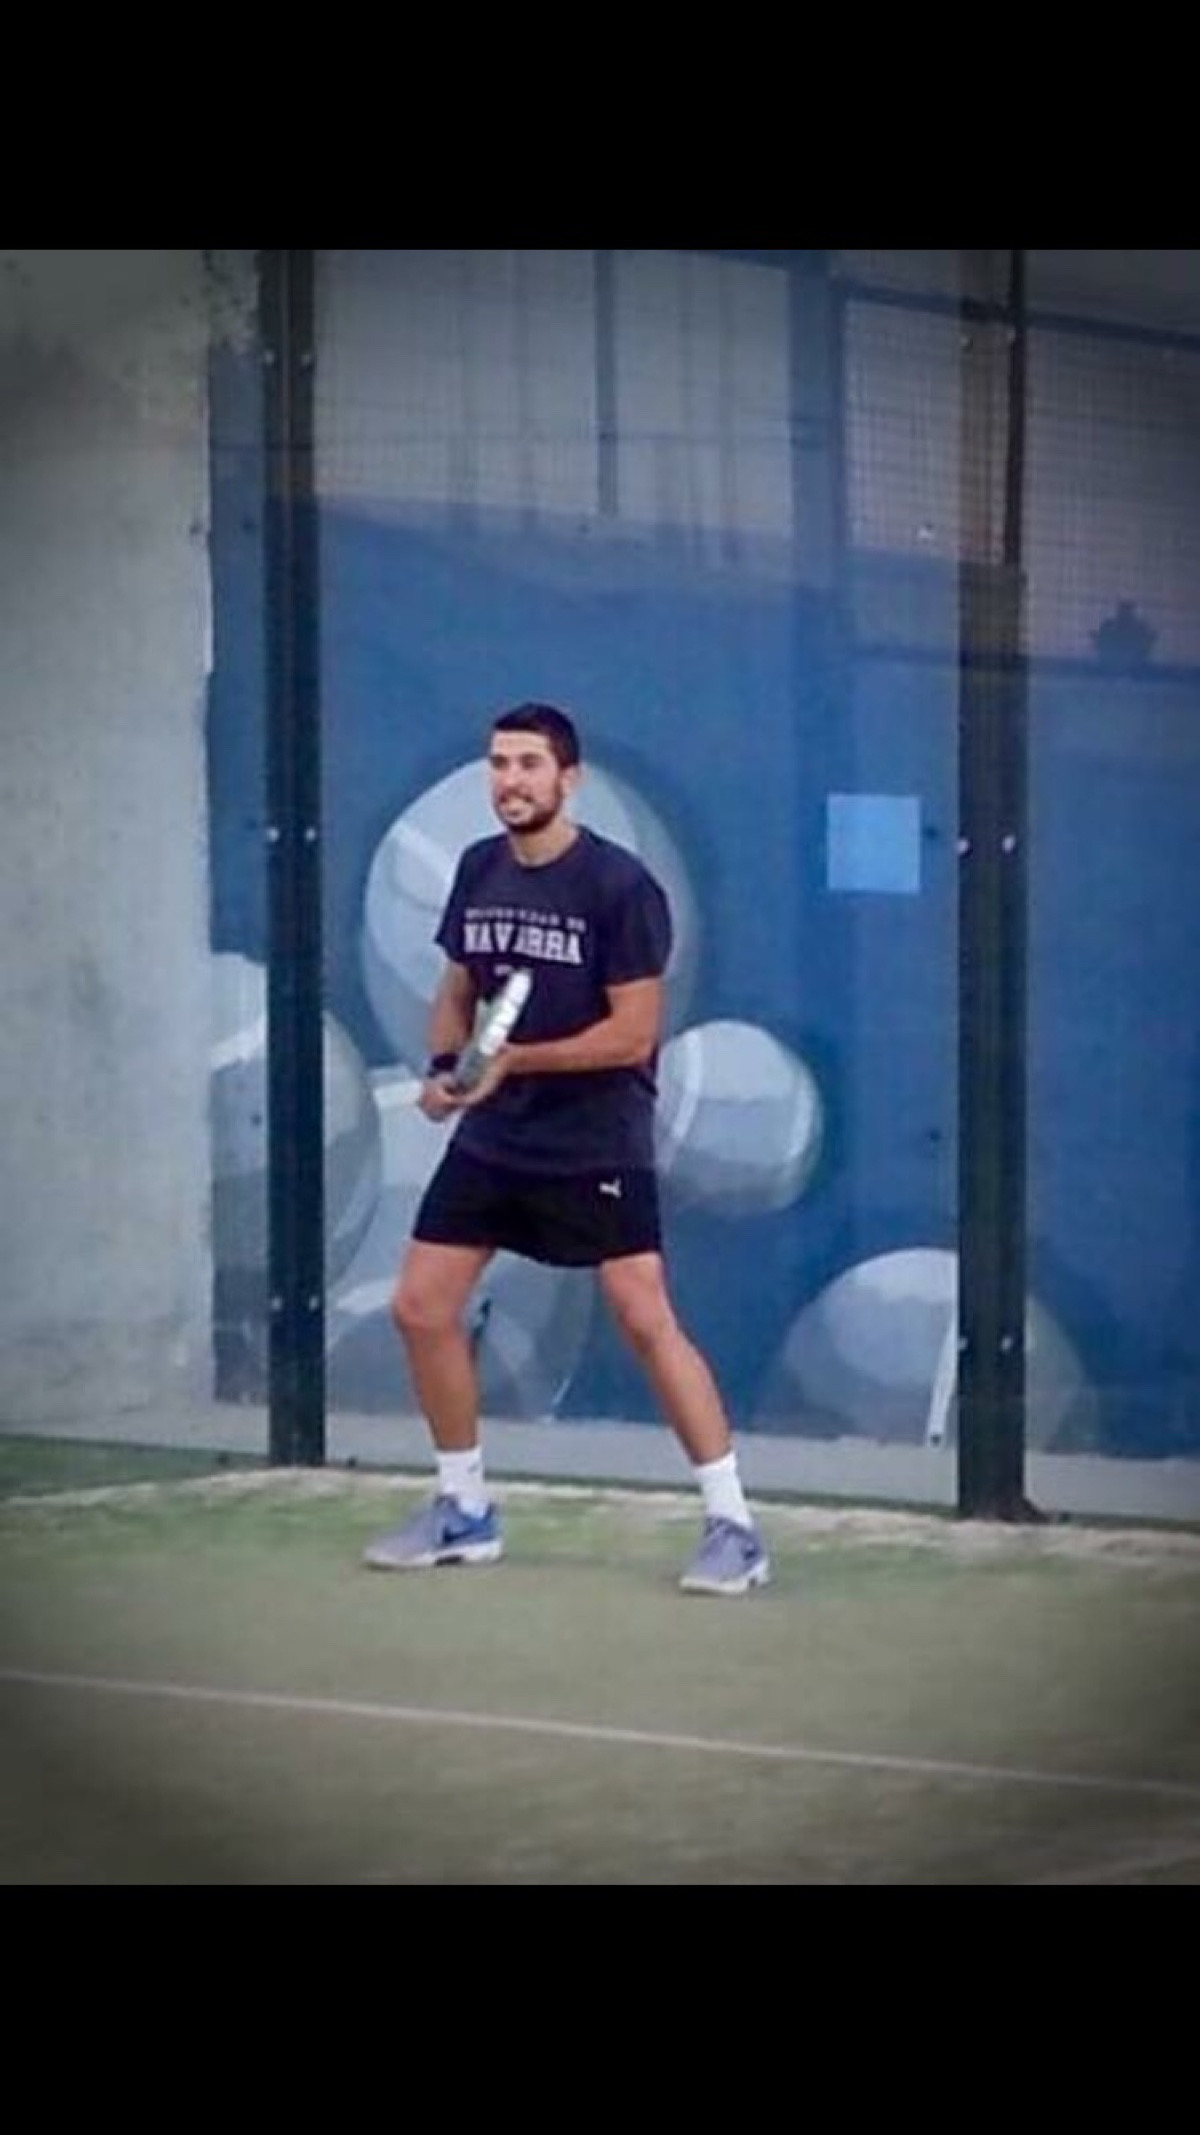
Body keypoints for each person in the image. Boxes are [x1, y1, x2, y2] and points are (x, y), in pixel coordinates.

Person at [362, 702, 769, 1596]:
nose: (510, 780)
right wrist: (447, 1069)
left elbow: (633, 1034)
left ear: (568, 778)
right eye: (500, 764)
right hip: (495, 1136)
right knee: (421, 1306)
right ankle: (463, 1508)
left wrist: (515, 1060)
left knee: (643, 1315)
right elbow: (458, 988)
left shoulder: (620, 888)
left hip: (595, 1138)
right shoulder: (479, 867)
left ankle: (734, 1526)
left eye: (529, 765)